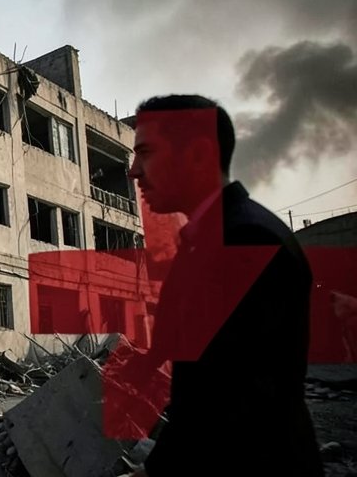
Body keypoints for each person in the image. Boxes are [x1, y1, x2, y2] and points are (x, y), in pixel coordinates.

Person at [119, 94, 322, 476]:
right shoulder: (214, 238)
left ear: (198, 155)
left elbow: (233, 400)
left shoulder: (245, 240)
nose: (133, 171)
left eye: (145, 153)